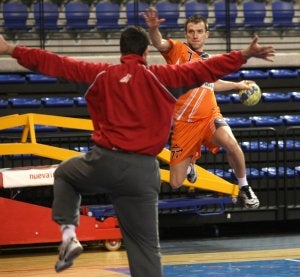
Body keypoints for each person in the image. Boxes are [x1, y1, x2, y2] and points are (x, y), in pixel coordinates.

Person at [0, 27, 274, 276]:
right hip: (143, 172)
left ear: (121, 52)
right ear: (145, 52)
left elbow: (55, 64)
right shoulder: (163, 77)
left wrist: (12, 49)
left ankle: (70, 234)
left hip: (104, 161)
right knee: (145, 249)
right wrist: (244, 54)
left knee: (65, 174)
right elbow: (205, 70)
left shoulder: (100, 74)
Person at [143, 8, 264, 209]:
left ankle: (244, 186)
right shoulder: (178, 50)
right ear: (186, 34)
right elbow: (158, 42)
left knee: (231, 143)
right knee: (176, 182)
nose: (195, 35)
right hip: (185, 125)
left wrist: (237, 85)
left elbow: (211, 84)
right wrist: (154, 29)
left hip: (209, 117)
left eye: (199, 31)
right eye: (191, 31)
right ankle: (190, 164)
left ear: (206, 34)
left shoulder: (208, 60)